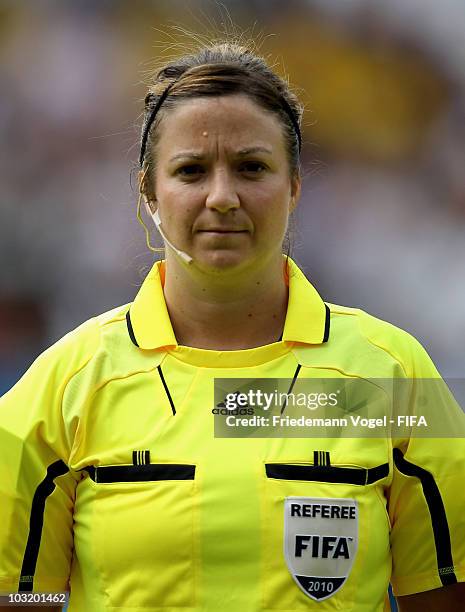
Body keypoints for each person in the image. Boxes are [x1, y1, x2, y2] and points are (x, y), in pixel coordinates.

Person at [1, 41, 464, 612]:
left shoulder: (393, 376)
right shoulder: (61, 389)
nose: (222, 197)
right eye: (191, 171)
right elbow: (23, 601)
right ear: (149, 190)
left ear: (294, 185)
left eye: (251, 167)